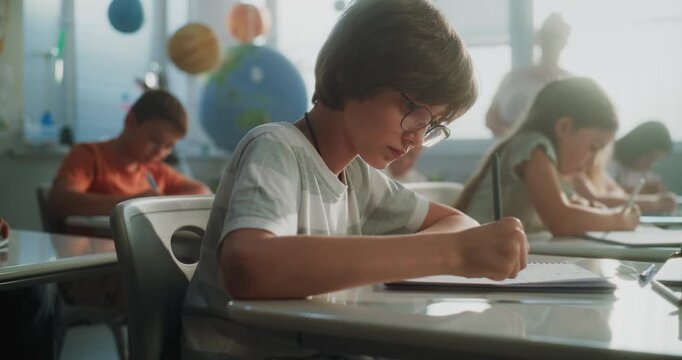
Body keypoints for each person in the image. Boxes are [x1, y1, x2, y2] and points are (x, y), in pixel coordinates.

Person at [183, 0, 528, 358]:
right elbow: (248, 268)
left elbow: (459, 222)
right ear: (352, 73)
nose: (416, 138)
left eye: (432, 125)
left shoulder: (359, 176)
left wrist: (455, 248)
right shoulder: (275, 148)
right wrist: (452, 253)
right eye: (412, 109)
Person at [456, 77, 640, 236]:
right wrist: (619, 219)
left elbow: (567, 211)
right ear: (564, 127)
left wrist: (589, 211)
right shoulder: (533, 147)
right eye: (594, 147)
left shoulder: (549, 163)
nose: (593, 160)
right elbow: (561, 220)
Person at [48, 89, 211, 219]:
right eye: (154, 140)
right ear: (130, 121)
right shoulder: (89, 155)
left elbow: (202, 192)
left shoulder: (155, 171)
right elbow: (61, 201)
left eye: (168, 146)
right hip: (89, 255)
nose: (160, 152)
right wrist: (137, 204)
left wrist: (160, 204)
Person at [486, 13, 572, 138]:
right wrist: (514, 138)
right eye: (548, 36)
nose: (552, 42)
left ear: (564, 42)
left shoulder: (571, 83)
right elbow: (491, 118)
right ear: (539, 38)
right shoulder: (513, 78)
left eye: (557, 37)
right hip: (512, 150)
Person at [571, 143, 677, 214]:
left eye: (601, 148)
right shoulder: (575, 173)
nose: (595, 157)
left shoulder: (598, 171)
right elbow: (596, 199)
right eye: (593, 148)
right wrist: (655, 203)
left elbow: (619, 192)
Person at [609, 120, 675, 195]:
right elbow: (605, 193)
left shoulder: (646, 175)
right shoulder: (611, 163)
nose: (650, 164)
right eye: (650, 158)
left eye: (655, 160)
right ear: (638, 148)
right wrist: (639, 191)